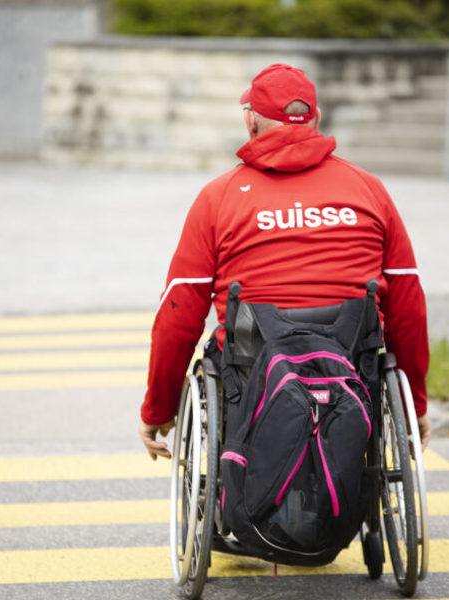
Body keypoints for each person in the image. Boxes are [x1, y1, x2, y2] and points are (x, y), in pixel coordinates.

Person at [139, 63, 429, 460]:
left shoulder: (218, 198)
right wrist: (414, 404)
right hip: (352, 364)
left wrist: (159, 407)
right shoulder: (369, 190)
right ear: (316, 120)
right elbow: (408, 305)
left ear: (249, 122)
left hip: (253, 373)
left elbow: (179, 312)